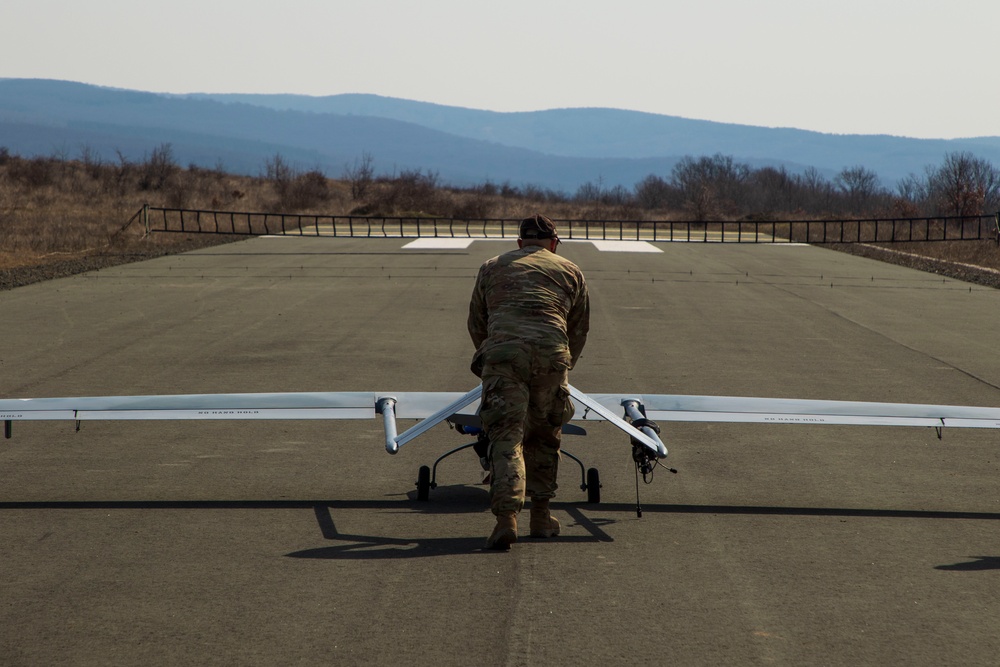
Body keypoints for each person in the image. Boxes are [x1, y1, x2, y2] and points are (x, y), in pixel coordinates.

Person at [468, 214, 590, 550]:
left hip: (505, 357)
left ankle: (507, 520)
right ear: (553, 243)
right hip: (552, 356)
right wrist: (561, 365)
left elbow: (478, 323)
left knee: (507, 437)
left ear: (520, 243)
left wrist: (493, 358)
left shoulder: (491, 267)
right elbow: (578, 330)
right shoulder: (570, 270)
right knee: (545, 435)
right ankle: (541, 515)